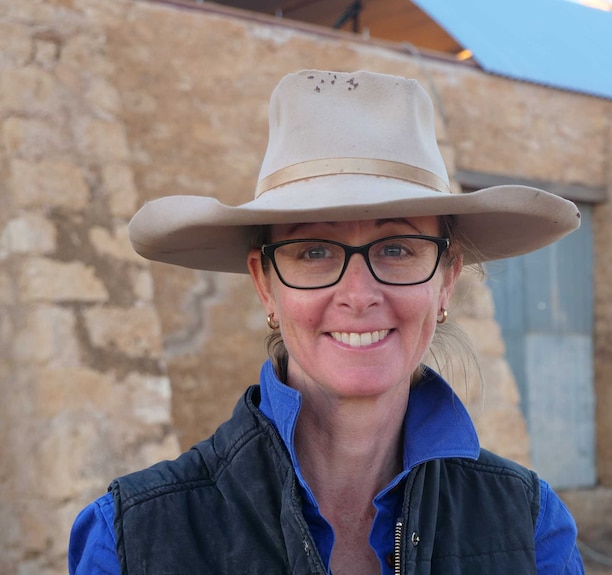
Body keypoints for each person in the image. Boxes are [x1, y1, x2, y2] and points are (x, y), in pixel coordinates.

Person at [68, 69, 585, 574]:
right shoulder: (130, 540)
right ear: (265, 284)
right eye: (314, 251)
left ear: (446, 279)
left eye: (398, 248)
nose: (358, 295)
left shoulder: (531, 526)